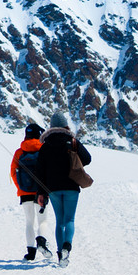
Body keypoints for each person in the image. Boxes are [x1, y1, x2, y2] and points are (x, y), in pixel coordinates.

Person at [35, 112, 92, 266]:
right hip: (71, 186)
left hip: (53, 188)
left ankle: (61, 255)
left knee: (60, 221)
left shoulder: (45, 146)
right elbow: (87, 159)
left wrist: (41, 192)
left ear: (51, 126)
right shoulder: (72, 142)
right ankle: (68, 246)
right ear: (65, 125)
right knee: (70, 220)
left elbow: (40, 171)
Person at [10, 121, 52, 261]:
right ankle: (42, 242)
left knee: (29, 222)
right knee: (43, 221)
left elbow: (13, 172)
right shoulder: (44, 150)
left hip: (25, 192)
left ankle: (30, 252)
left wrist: (21, 188)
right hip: (42, 191)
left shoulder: (20, 152)